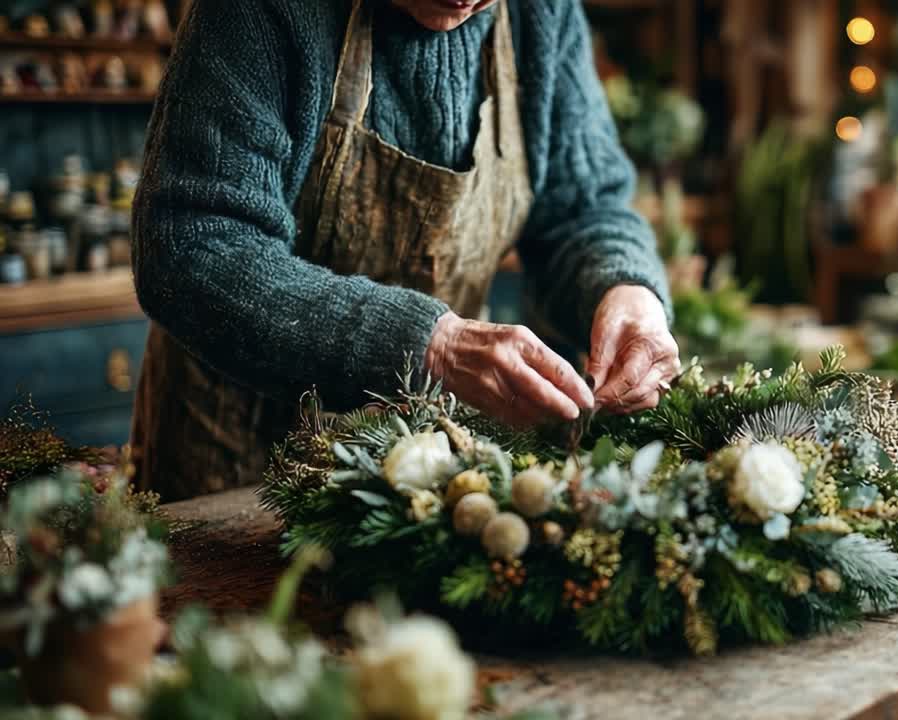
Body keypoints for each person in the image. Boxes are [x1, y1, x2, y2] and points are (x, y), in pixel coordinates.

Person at [129, 0, 679, 500]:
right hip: (238, 454)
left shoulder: (543, 14)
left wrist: (624, 288)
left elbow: (582, 211)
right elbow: (193, 244)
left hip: (436, 464)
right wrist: (430, 347)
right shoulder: (264, 11)